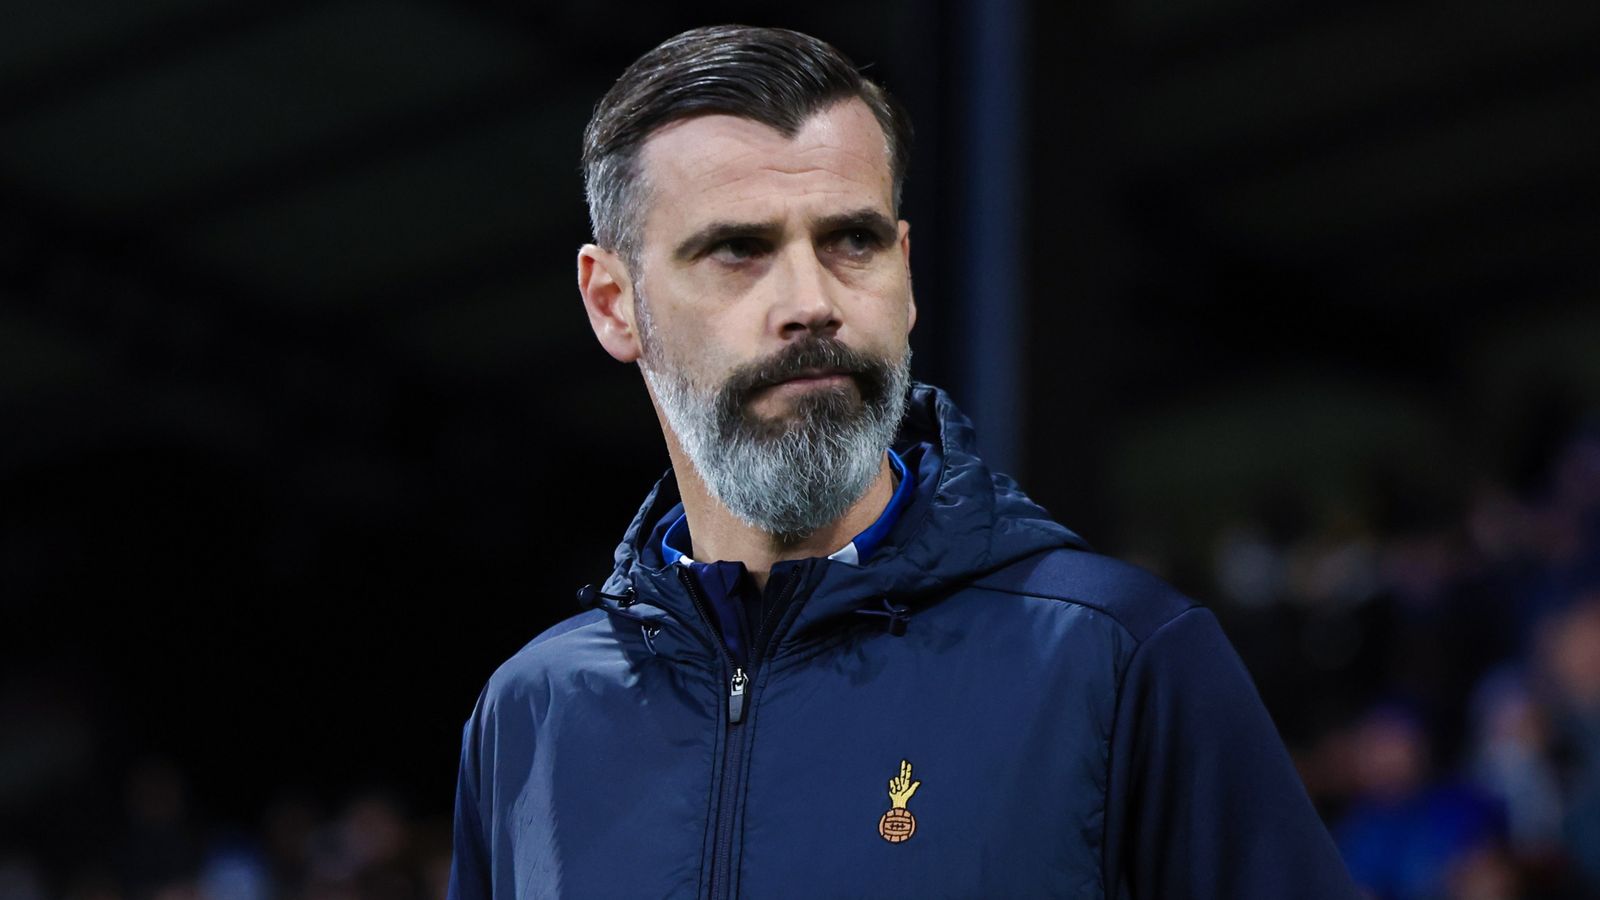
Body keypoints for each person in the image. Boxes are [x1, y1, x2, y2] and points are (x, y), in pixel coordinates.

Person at [447, 24, 1357, 899]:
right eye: (739, 250)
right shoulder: (532, 713)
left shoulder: (1116, 656)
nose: (810, 302)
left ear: (906, 269)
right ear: (613, 302)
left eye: (852, 241)